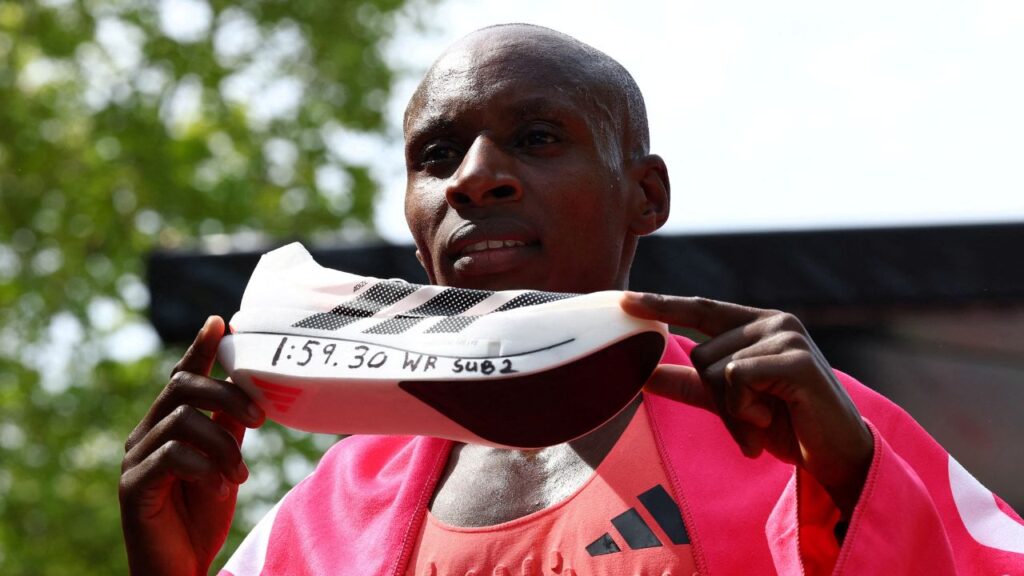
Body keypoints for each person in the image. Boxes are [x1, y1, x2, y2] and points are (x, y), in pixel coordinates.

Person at [119, 24, 1024, 575]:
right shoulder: (325, 515)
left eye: (539, 136)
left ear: (647, 194)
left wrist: (853, 486)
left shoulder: (813, 427)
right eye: (437, 157)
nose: (475, 179)